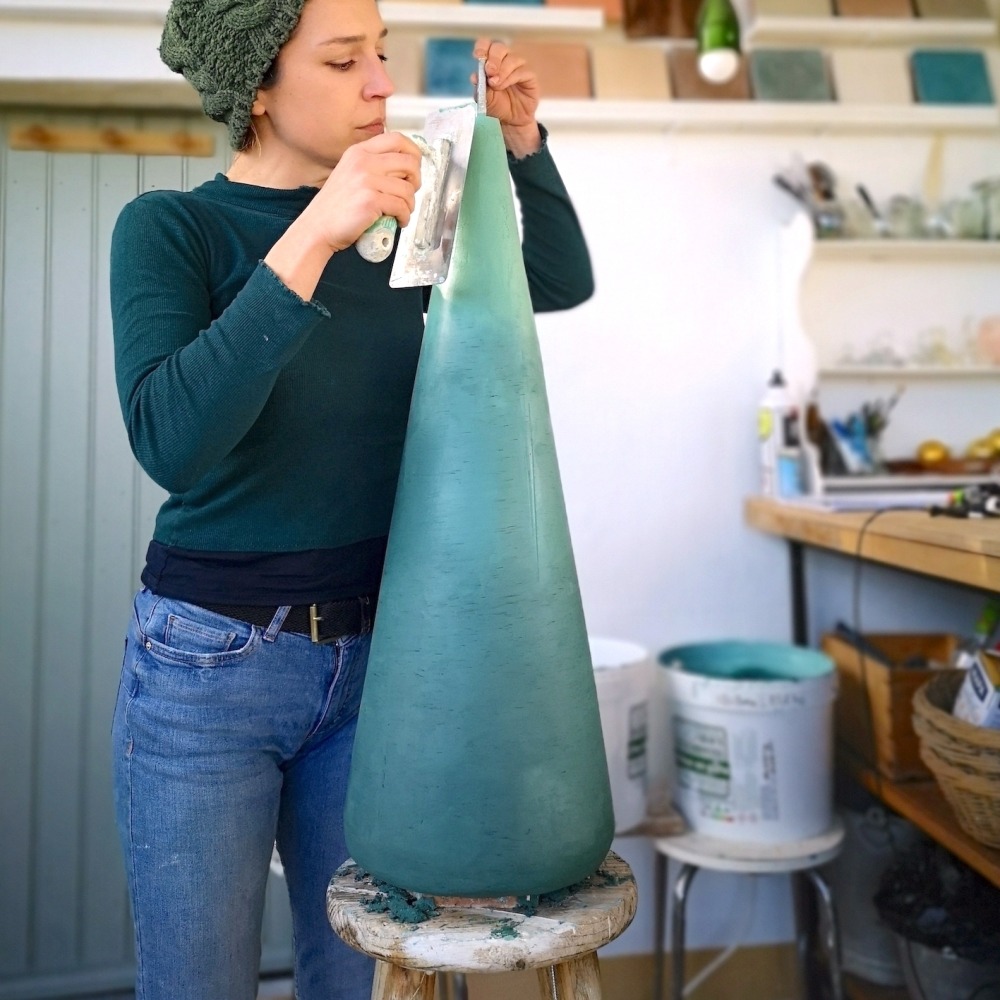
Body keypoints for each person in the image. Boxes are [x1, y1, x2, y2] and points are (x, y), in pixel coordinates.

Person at [109, 0, 594, 996]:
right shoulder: (171, 228)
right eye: (343, 61)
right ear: (256, 85)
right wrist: (315, 235)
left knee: (358, 978)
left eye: (380, 53)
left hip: (385, 666)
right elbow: (172, 442)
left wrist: (521, 145)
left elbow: (554, 280)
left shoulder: (402, 227)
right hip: (211, 668)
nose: (380, 82)